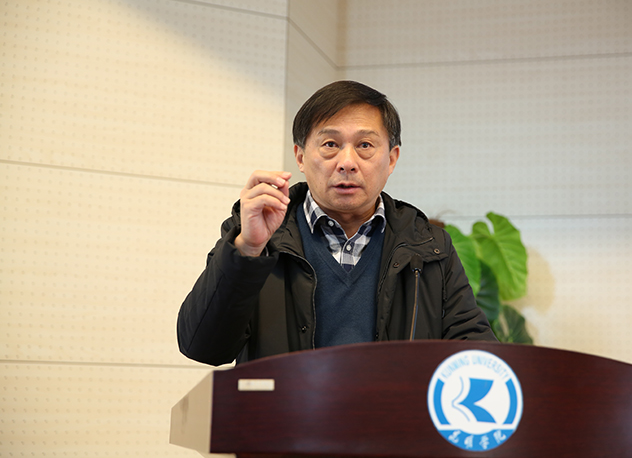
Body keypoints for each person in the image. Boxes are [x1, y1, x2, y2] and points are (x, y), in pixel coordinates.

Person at [177, 80, 496, 366]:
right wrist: (248, 249)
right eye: (330, 144)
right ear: (300, 157)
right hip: (285, 416)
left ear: (391, 159)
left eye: (365, 145)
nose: (347, 163)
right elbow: (202, 347)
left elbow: (476, 354)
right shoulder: (257, 235)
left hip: (392, 416)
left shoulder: (428, 246)